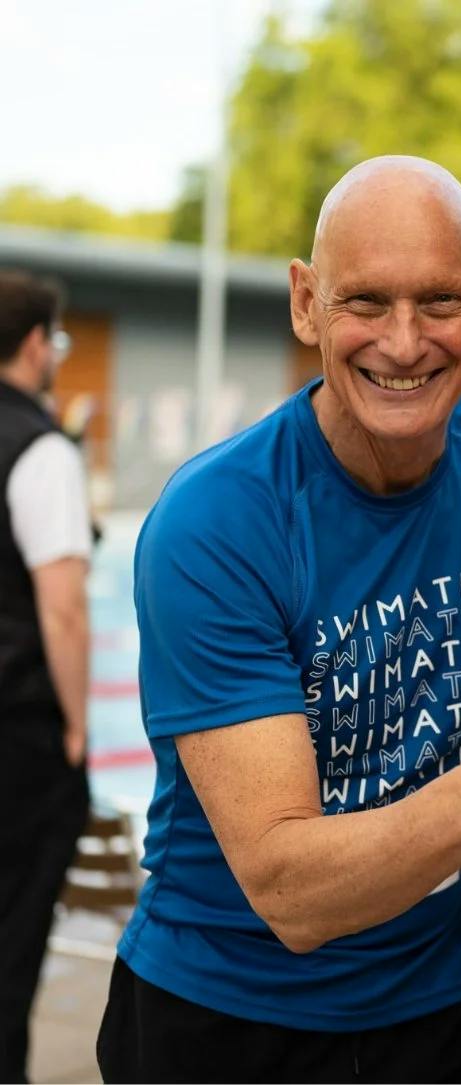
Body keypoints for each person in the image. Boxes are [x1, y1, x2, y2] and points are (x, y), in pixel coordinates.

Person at [96, 156, 461, 1084]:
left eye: (438, 301)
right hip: (228, 1018)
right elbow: (289, 890)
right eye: (365, 303)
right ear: (306, 304)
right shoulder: (217, 522)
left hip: (450, 1009)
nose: (404, 340)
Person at [0, 271, 91, 1084]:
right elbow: (62, 609)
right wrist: (73, 727)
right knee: (14, 944)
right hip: (19, 736)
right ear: (36, 343)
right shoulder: (40, 447)